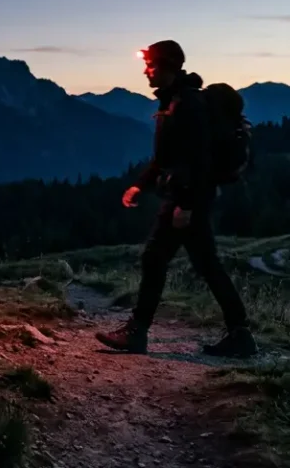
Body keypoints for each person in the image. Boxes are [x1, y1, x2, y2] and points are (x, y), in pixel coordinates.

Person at [95, 40, 258, 358]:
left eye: (151, 65)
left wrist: (186, 204)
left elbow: (198, 159)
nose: (146, 71)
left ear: (167, 67)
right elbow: (165, 157)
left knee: (156, 258)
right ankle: (240, 334)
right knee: (205, 264)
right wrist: (140, 185)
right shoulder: (174, 101)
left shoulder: (187, 104)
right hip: (187, 195)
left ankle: (137, 332)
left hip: (186, 197)